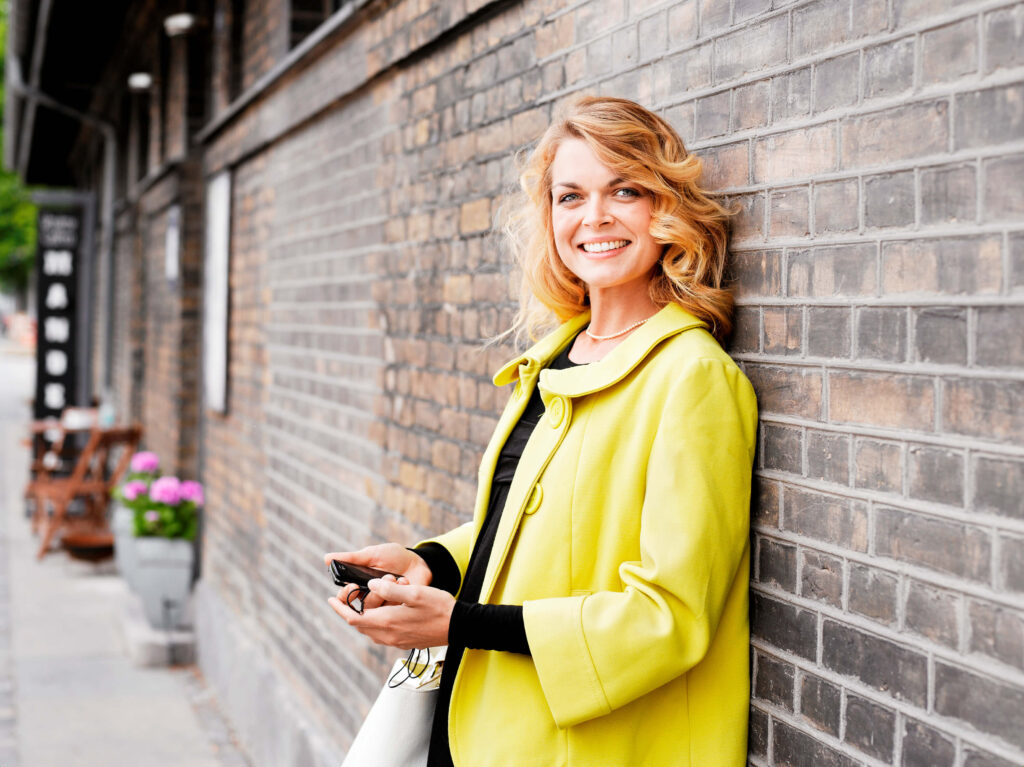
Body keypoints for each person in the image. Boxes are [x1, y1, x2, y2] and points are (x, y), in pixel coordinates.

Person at [325, 95, 758, 767]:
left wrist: (458, 621)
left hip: (586, 747)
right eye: (570, 196)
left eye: (625, 190)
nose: (595, 217)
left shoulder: (693, 377)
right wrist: (433, 563)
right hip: (481, 724)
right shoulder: (555, 357)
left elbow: (669, 615)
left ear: (666, 208)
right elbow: (533, 525)